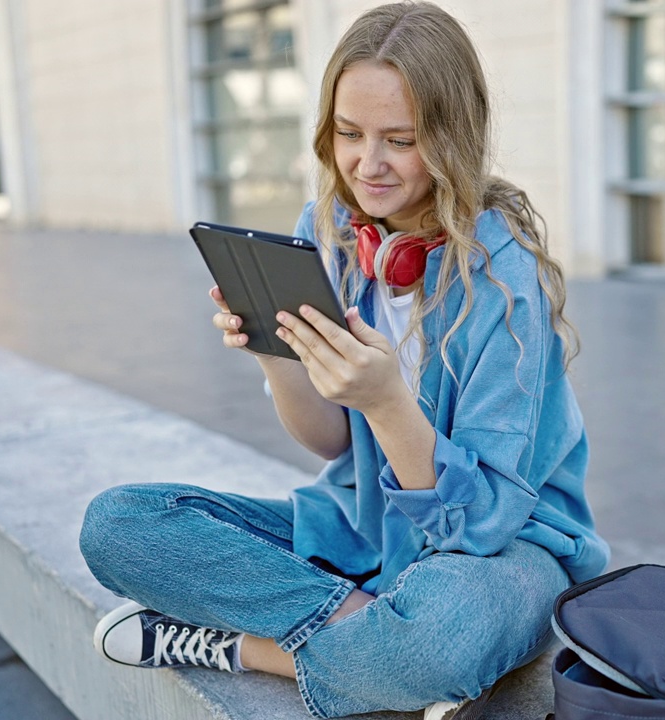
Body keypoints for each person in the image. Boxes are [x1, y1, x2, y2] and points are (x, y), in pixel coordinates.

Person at [77, 2, 608, 718]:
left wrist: (389, 403)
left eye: (401, 139)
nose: (368, 163)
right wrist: (276, 356)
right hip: (360, 529)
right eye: (349, 134)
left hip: (504, 555)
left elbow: (481, 523)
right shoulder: (325, 231)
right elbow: (328, 440)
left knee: (439, 640)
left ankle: (242, 648)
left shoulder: (505, 282)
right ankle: (371, 637)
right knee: (119, 525)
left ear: (451, 139)